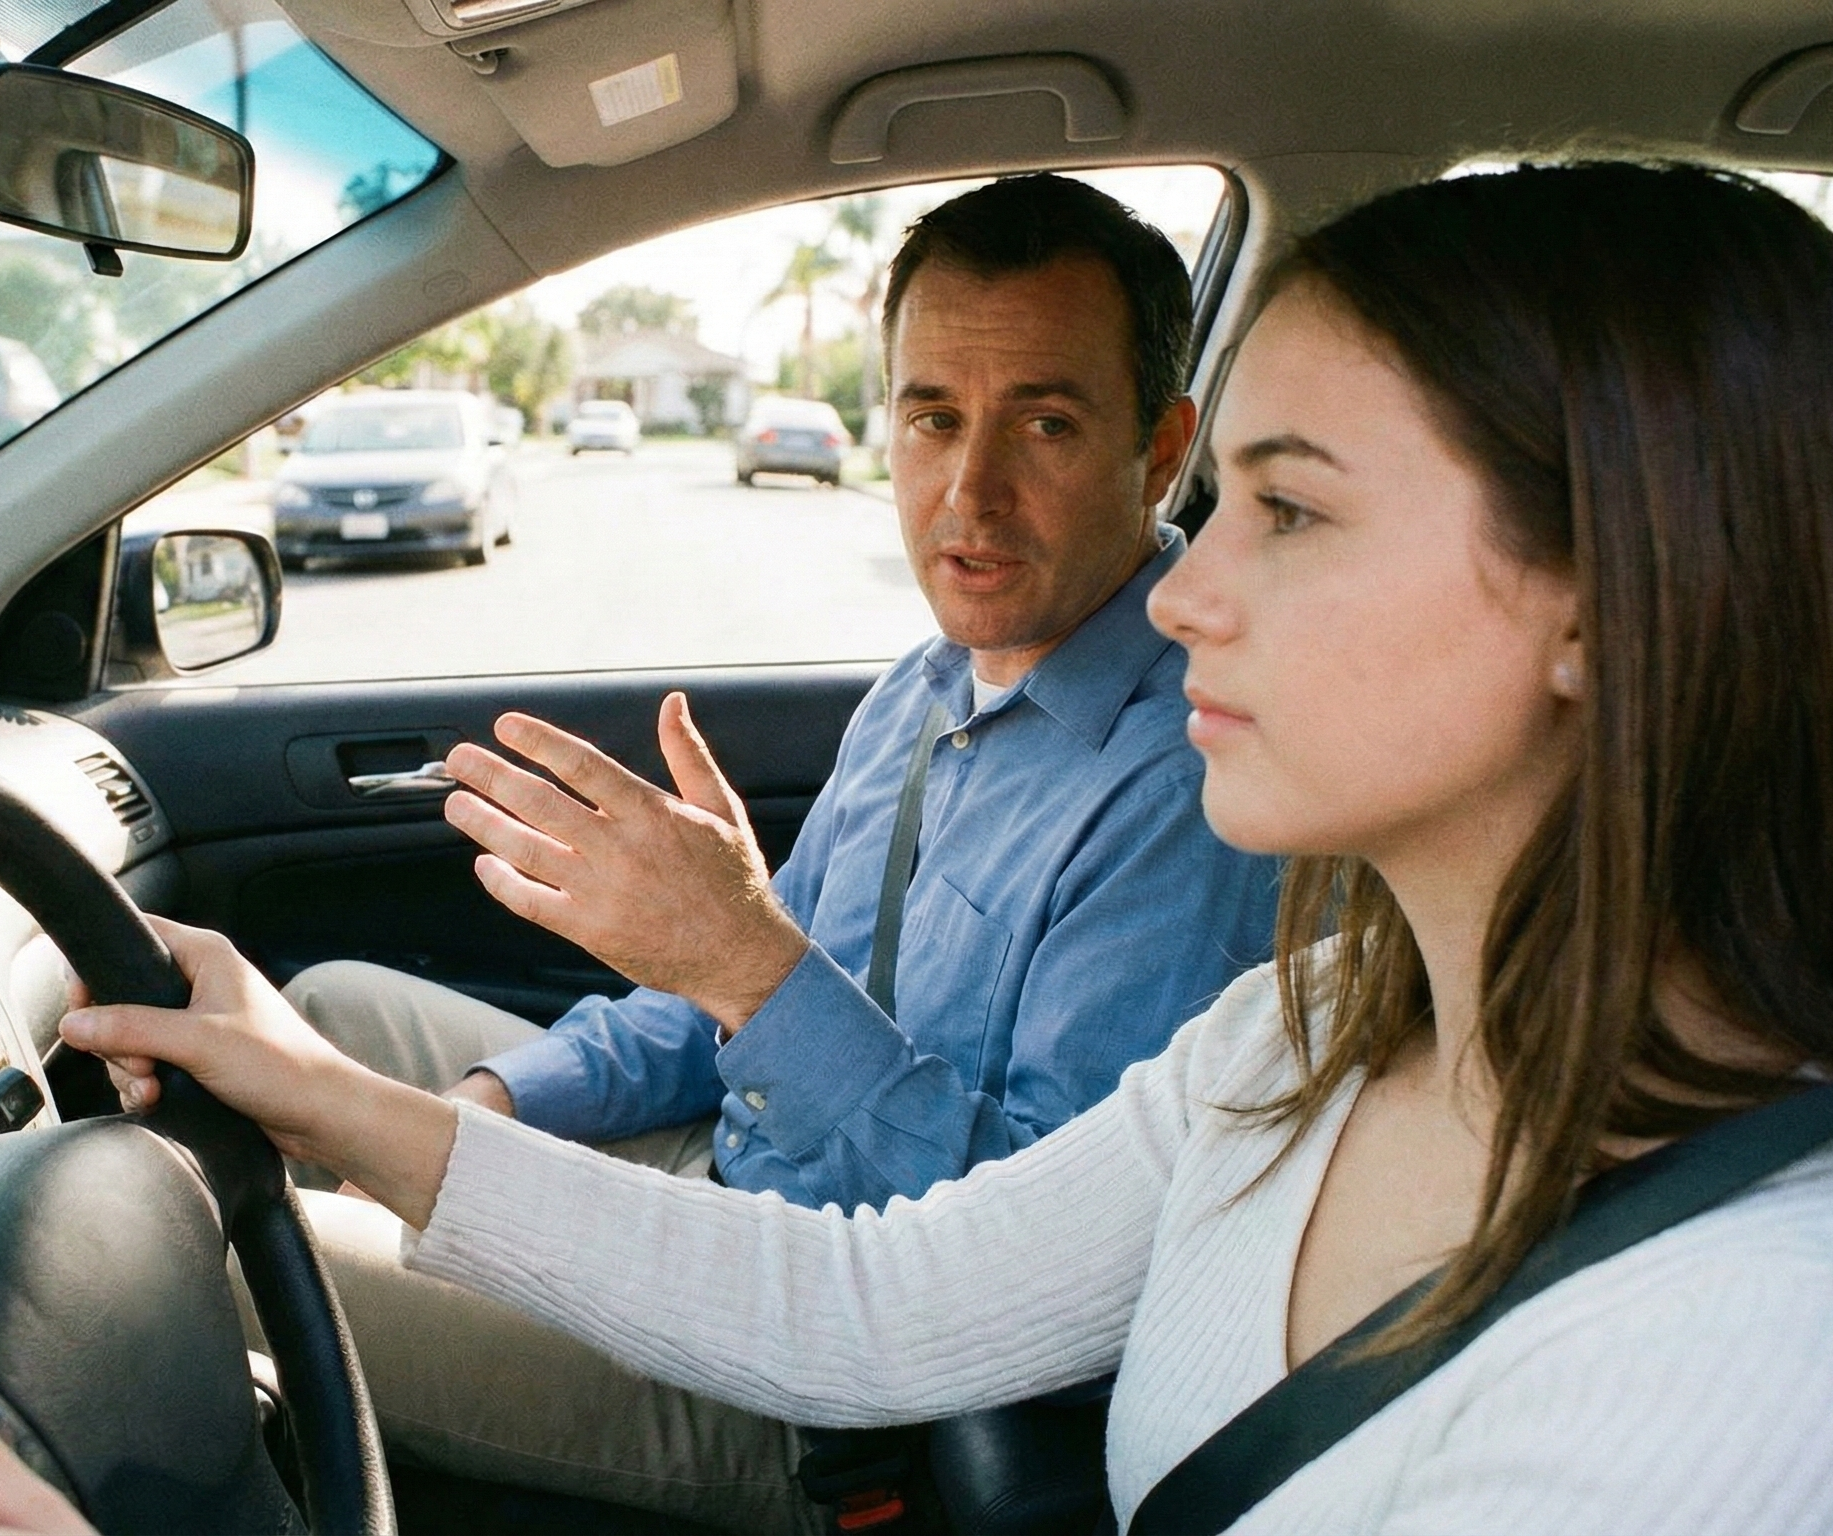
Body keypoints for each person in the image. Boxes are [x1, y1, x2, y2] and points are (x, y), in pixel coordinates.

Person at [0, 162, 1833, 1535]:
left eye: (1285, 510)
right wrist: (334, 1094)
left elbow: (877, 1284)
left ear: (1605, 600)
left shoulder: (1809, 1358)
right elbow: (853, 1303)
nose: (1179, 587)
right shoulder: (1320, 1039)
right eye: (1215, 492)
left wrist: (742, 976)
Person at [142, 173, 1279, 1534]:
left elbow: (1004, 1276)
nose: (970, 493)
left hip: (833, 1379)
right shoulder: (928, 687)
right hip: (733, 1173)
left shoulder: (1188, 787)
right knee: (329, 1006)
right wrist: (506, 1100)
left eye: (1044, 421)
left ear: (1160, 452)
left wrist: (745, 968)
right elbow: (727, 994)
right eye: (932, 418)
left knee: (200, 1253)